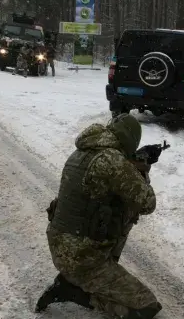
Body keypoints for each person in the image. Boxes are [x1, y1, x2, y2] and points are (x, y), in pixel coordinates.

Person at [35, 114, 162, 319]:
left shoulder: (81, 152)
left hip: (62, 247)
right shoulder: (112, 160)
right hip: (83, 257)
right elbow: (148, 203)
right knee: (146, 307)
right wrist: (142, 171)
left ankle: (74, 279)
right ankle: (80, 292)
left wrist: (131, 162)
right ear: (130, 139)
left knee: (115, 205)